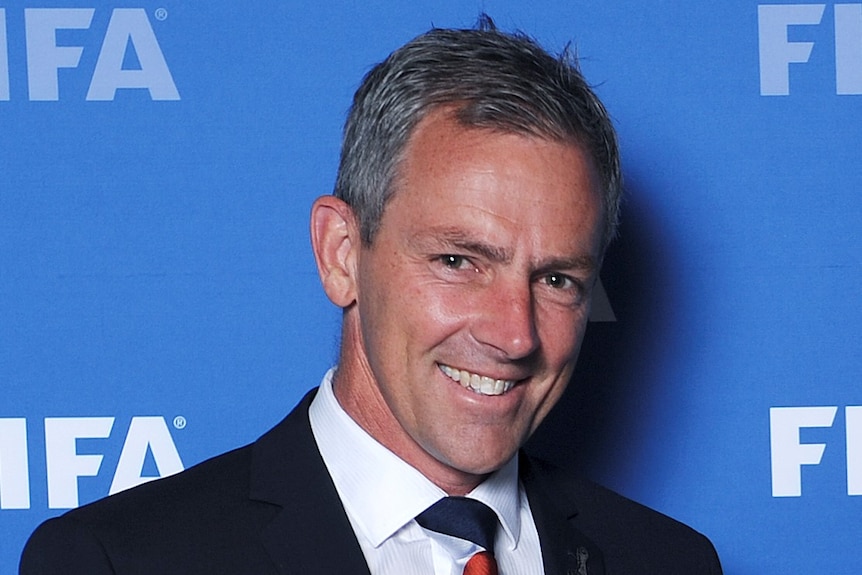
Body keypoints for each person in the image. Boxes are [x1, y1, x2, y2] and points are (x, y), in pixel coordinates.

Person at [20, 17, 722, 575]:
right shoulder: (120, 560)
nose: (515, 335)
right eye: (458, 260)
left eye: (557, 279)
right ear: (341, 255)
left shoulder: (667, 560)